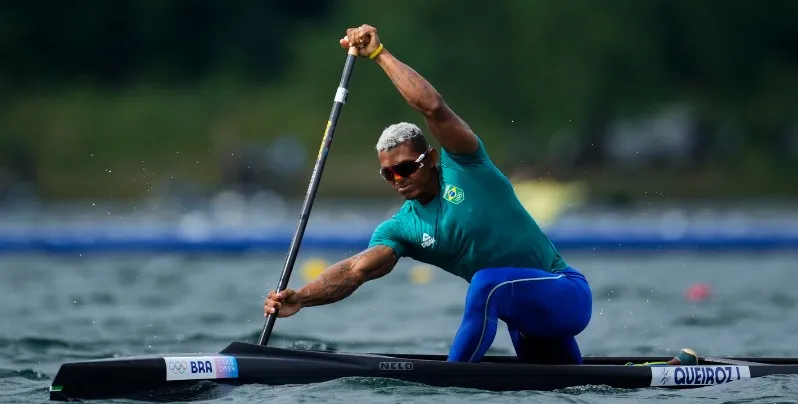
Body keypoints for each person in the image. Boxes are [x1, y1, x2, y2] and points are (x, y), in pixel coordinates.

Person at [264, 24, 692, 366]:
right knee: (570, 386)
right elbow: (356, 270)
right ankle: (664, 370)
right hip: (525, 320)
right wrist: (302, 297)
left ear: (429, 158)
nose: (399, 178)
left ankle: (455, 380)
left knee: (486, 284)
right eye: (388, 174)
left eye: (406, 167)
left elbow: (432, 108)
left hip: (565, 294)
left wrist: (379, 55)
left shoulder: (466, 163)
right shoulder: (402, 227)